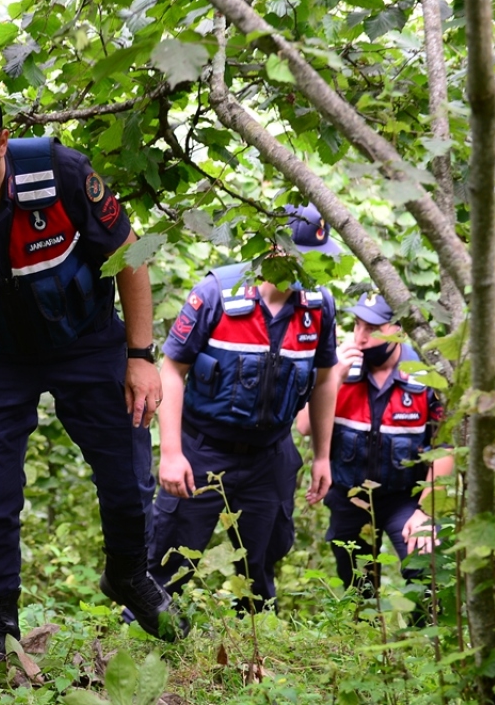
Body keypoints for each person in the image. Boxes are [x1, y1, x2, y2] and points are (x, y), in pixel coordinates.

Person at [0, 81, 182, 675]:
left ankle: (130, 575)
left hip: (86, 345)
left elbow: (131, 255)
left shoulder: (62, 174)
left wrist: (140, 354)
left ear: (1, 142)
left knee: (128, 480)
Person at [147, 204, 341, 613]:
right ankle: (145, 634)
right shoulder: (216, 292)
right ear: (274, 248)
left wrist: (322, 455)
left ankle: (254, 655)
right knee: (169, 558)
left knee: (262, 563)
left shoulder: (319, 306)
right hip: (201, 448)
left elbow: (325, 379)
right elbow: (171, 370)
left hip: (270, 455)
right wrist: (171, 452)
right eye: (304, 260)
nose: (312, 272)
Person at [295, 292, 452, 603]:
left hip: (404, 499)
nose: (361, 337)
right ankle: (362, 643)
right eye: (357, 325)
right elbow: (304, 426)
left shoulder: (426, 375)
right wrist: (333, 379)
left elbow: (445, 447)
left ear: (400, 330)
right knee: (357, 587)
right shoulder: (338, 367)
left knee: (426, 570)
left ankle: (422, 641)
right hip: (349, 496)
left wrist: (425, 511)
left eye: (373, 328)